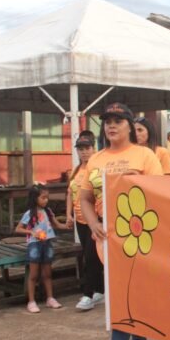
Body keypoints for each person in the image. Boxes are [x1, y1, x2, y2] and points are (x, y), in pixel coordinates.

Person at [81, 103, 164, 340]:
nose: (111, 125)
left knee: (122, 294)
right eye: (107, 121)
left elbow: (160, 194)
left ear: (130, 125)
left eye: (118, 120)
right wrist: (93, 223)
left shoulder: (145, 155)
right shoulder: (96, 159)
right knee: (128, 293)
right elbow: (85, 197)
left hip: (139, 235)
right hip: (108, 238)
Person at [16, 184, 71, 314]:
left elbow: (57, 225)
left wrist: (67, 225)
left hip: (47, 243)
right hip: (34, 244)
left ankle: (50, 298)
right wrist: (32, 232)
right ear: (35, 198)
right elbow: (18, 228)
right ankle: (31, 301)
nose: (46, 200)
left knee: (47, 274)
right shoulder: (29, 213)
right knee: (33, 275)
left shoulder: (48, 211)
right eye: (43, 197)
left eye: (47, 197)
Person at [67, 132, 100, 311]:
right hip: (79, 219)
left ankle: (88, 294)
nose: (84, 152)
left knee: (91, 257)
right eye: (80, 149)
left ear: (94, 148)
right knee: (89, 256)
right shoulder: (76, 169)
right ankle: (100, 290)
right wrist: (68, 214)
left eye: (87, 148)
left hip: (94, 219)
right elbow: (70, 193)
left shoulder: (97, 169)